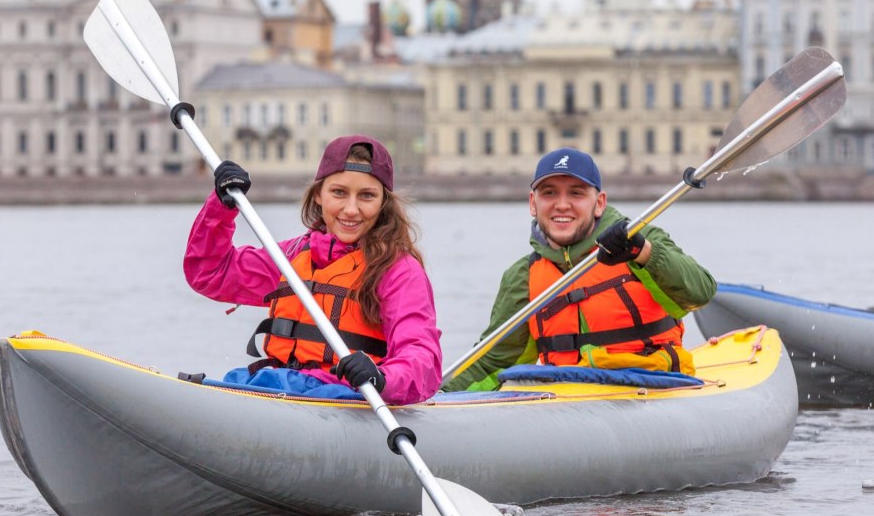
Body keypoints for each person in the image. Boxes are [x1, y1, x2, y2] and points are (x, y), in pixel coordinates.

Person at [183, 135, 442, 405]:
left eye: (366, 196)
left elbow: (421, 356)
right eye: (339, 193)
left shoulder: (398, 271)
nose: (351, 209)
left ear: (382, 203)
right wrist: (221, 207)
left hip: (351, 398)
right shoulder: (290, 257)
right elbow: (210, 273)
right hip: (279, 386)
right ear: (318, 195)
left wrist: (382, 378)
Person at [443, 147, 717, 392]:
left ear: (599, 203)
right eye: (549, 193)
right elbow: (493, 362)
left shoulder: (639, 240)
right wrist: (435, 396)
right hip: (569, 400)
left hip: (653, 386)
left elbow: (701, 291)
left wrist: (642, 252)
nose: (562, 204)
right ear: (532, 203)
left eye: (576, 193)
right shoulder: (522, 277)